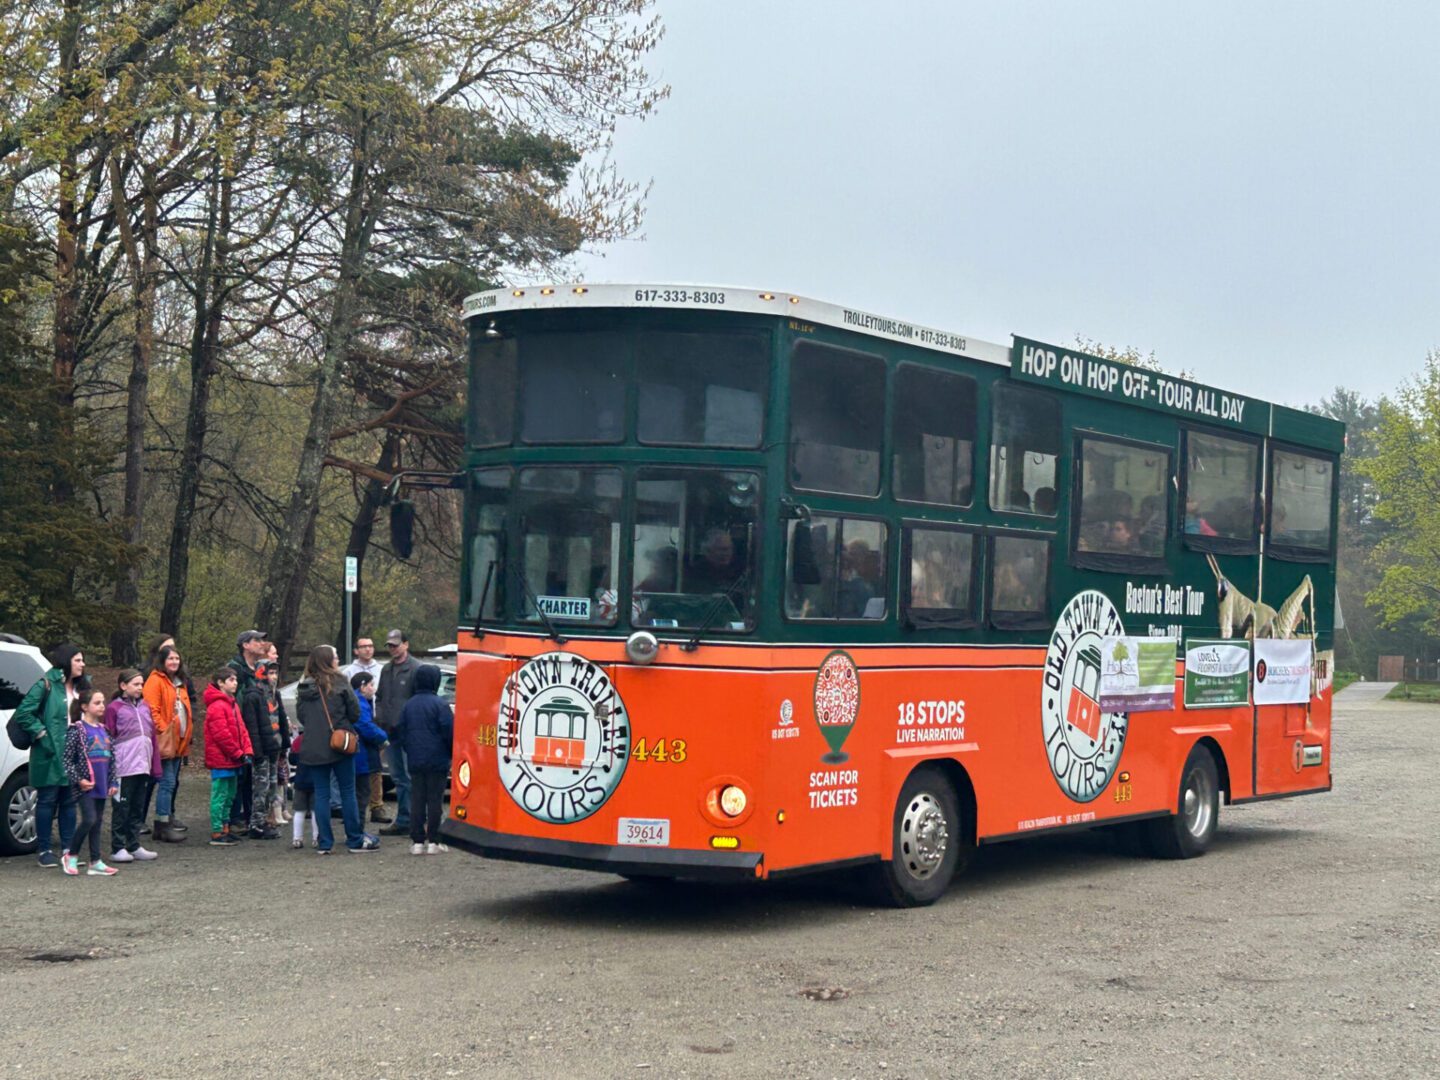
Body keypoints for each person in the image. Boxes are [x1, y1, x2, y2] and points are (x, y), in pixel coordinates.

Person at [294, 644, 378, 854]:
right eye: (336, 656)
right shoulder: (339, 681)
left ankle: (325, 843)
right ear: (327, 660)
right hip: (340, 743)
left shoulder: (304, 686)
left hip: (314, 746)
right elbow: (355, 712)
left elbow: (302, 717)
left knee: (322, 794)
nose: (338, 660)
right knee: (348, 791)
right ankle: (355, 840)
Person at [12, 643, 88, 867]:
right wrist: (41, 733)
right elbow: (24, 712)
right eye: (78, 660)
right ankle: (44, 850)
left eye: (83, 660)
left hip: (73, 753)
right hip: (49, 753)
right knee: (46, 801)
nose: (82, 664)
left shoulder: (81, 688)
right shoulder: (46, 684)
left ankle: (68, 849)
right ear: (66, 661)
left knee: (69, 801)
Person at [394, 664, 453, 855]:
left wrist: (409, 749)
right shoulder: (441, 705)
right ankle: (434, 840)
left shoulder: (409, 704)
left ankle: (417, 841)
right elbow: (449, 732)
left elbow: (401, 731)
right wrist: (451, 753)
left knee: (417, 798)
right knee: (435, 800)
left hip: (415, 758)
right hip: (438, 758)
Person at [60, 690, 119, 876]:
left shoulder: (105, 730)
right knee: (89, 819)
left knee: (97, 822)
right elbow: (67, 761)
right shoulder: (76, 730)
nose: (102, 705)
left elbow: (112, 759)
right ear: (85, 706)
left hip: (102, 783)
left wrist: (113, 781)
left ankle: (95, 861)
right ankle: (71, 855)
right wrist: (79, 779)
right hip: (84, 786)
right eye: (97, 702)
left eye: (103, 702)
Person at [105, 669, 161, 863]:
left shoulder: (146, 707)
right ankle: (117, 846)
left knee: (138, 806)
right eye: (136, 684)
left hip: (142, 766)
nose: (140, 688)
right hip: (123, 767)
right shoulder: (114, 708)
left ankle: (134, 844)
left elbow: (152, 737)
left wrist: (155, 766)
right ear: (123, 686)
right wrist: (109, 768)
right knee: (122, 807)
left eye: (141, 684)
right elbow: (108, 738)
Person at [144, 645, 193, 843]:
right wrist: (164, 730)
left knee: (171, 783)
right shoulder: (155, 681)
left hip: (179, 741)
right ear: (162, 661)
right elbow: (152, 710)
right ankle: (161, 825)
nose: (174, 662)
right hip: (165, 740)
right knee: (167, 782)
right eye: (171, 658)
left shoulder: (179, 683)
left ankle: (165, 821)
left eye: (177, 658)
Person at [375, 629, 420, 836]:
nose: (393, 648)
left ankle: (413, 819)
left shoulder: (416, 669)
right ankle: (404, 819)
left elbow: (419, 701)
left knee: (410, 777)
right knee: (398, 777)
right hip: (390, 733)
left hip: (409, 733)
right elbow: (381, 697)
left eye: (396, 644)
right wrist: (381, 722)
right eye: (390, 645)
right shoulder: (386, 670)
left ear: (406, 644)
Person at [227, 630, 269, 834]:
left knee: (255, 774)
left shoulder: (260, 669)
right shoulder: (234, 669)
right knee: (240, 773)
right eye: (257, 640)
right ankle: (234, 817)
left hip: (258, 727)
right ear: (245, 645)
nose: (262, 644)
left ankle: (251, 814)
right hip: (240, 728)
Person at [203, 669, 251, 846]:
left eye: (236, 679)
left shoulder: (233, 704)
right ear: (220, 682)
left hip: (234, 759)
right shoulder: (217, 706)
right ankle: (217, 831)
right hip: (222, 760)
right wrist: (238, 753)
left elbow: (242, 730)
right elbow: (222, 735)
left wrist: (247, 750)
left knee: (230, 795)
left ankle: (225, 827)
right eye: (231, 680)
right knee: (220, 795)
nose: (235, 683)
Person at [240, 658, 285, 839]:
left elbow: (281, 719)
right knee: (261, 787)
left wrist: (284, 745)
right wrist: (256, 752)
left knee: (272, 786)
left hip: (275, 746)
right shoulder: (253, 696)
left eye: (275, 673)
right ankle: (256, 823)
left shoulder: (275, 694)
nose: (273, 677)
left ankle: (266, 819)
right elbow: (252, 727)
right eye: (270, 673)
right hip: (262, 749)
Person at [350, 671, 388, 828]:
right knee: (362, 792)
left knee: (359, 790)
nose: (374, 688)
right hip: (362, 753)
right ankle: (356, 831)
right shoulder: (359, 703)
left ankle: (355, 827)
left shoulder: (360, 701)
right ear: (363, 686)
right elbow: (365, 726)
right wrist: (383, 737)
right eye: (371, 685)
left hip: (362, 752)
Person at [288, 732, 319, 849]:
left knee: (299, 811)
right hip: (316, 781)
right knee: (316, 811)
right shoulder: (320, 739)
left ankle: (297, 838)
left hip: (300, 780)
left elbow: (292, 759)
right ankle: (316, 838)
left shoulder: (299, 740)